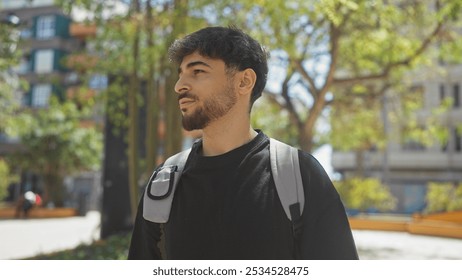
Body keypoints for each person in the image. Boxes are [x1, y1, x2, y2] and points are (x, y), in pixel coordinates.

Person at [128, 26, 358, 260]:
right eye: (180, 73)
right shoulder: (164, 183)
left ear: (244, 81)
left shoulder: (300, 175)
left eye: (197, 71)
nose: (179, 86)